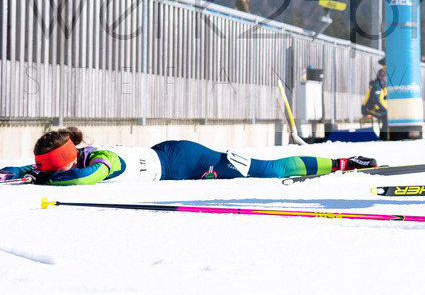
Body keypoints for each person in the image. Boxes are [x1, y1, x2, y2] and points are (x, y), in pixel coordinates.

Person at [0, 126, 377, 186]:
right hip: (165, 154)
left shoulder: (99, 160)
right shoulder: (69, 158)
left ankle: (342, 162)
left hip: (188, 161)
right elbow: (28, 169)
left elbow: (85, 179)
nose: (46, 171)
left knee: (268, 169)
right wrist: (16, 172)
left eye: (52, 165)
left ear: (66, 155)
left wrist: (44, 177)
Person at [361, 67, 388, 138]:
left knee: (388, 115)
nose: (383, 77)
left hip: (374, 108)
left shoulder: (382, 86)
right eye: (381, 75)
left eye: (384, 75)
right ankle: (384, 136)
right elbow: (377, 101)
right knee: (386, 116)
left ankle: (383, 135)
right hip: (368, 109)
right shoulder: (377, 86)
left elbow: (383, 99)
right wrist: (385, 109)